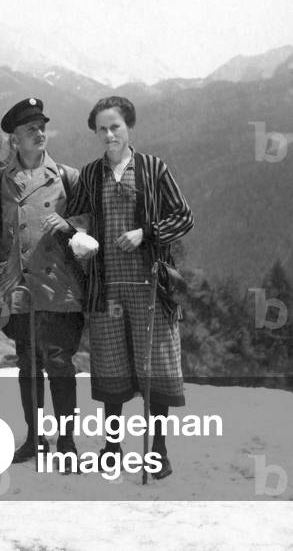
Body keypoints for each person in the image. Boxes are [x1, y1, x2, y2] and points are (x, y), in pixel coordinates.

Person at [66, 96, 193, 480]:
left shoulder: (153, 169)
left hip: (150, 286)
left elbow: (183, 217)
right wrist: (80, 237)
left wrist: (146, 232)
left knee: (156, 369)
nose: (109, 135)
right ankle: (112, 447)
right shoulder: (90, 175)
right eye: (102, 129)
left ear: (129, 126)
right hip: (106, 288)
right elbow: (76, 218)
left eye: (115, 127)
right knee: (112, 369)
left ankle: (158, 451)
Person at [0, 98, 85, 466]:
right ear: (15, 139)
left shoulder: (69, 177)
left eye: (41, 127)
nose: (40, 133)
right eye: (30, 129)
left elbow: (87, 224)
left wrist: (70, 226)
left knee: (60, 363)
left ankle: (67, 441)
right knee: (27, 364)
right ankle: (34, 438)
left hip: (58, 285)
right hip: (17, 287)